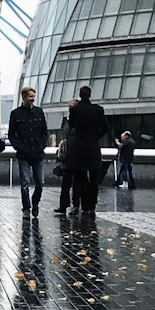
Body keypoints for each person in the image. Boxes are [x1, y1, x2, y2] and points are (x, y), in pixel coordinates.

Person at [8, 86, 49, 218]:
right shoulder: (15, 114)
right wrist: (19, 147)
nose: (32, 99)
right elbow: (11, 134)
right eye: (30, 97)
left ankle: (35, 203)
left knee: (40, 182)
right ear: (24, 97)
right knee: (25, 183)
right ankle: (26, 208)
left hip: (37, 153)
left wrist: (42, 146)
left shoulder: (39, 112)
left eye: (33, 96)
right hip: (23, 154)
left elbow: (44, 132)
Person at [68, 86, 108, 216]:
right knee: (94, 178)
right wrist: (97, 136)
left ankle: (78, 205)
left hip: (79, 148)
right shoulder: (98, 110)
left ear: (80, 95)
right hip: (93, 147)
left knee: (79, 178)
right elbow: (105, 127)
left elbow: (72, 125)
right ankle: (91, 206)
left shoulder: (75, 110)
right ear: (90, 95)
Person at [54, 99, 82, 216]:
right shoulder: (69, 121)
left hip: (74, 155)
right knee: (68, 182)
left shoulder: (77, 122)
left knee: (72, 182)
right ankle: (68, 205)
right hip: (70, 156)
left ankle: (72, 205)